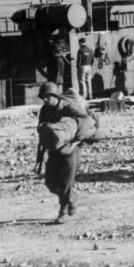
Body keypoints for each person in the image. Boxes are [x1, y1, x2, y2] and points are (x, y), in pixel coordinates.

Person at [35, 82, 94, 222]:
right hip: (54, 149)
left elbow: (86, 121)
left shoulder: (68, 108)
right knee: (50, 183)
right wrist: (40, 154)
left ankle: (63, 212)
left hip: (71, 149)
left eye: (47, 97)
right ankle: (72, 197)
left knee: (66, 182)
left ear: (55, 96)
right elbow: (42, 130)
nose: (45, 100)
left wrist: (75, 140)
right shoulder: (44, 110)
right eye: (43, 97)